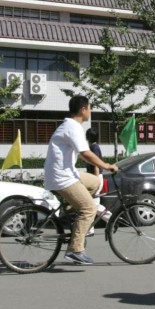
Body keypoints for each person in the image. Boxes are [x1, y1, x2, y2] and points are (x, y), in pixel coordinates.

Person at [43, 95, 119, 265]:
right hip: (62, 177)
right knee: (89, 208)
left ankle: (72, 210)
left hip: (67, 173)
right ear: (83, 109)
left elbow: (84, 155)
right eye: (90, 108)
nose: (91, 111)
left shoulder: (71, 126)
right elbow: (86, 154)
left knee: (96, 182)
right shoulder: (73, 127)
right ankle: (75, 250)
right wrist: (107, 166)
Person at [85, 128, 112, 228]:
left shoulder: (94, 148)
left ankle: (111, 218)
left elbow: (96, 165)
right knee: (92, 204)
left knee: (92, 204)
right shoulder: (94, 147)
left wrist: (95, 179)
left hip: (96, 178)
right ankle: (90, 228)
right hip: (95, 177)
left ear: (88, 137)